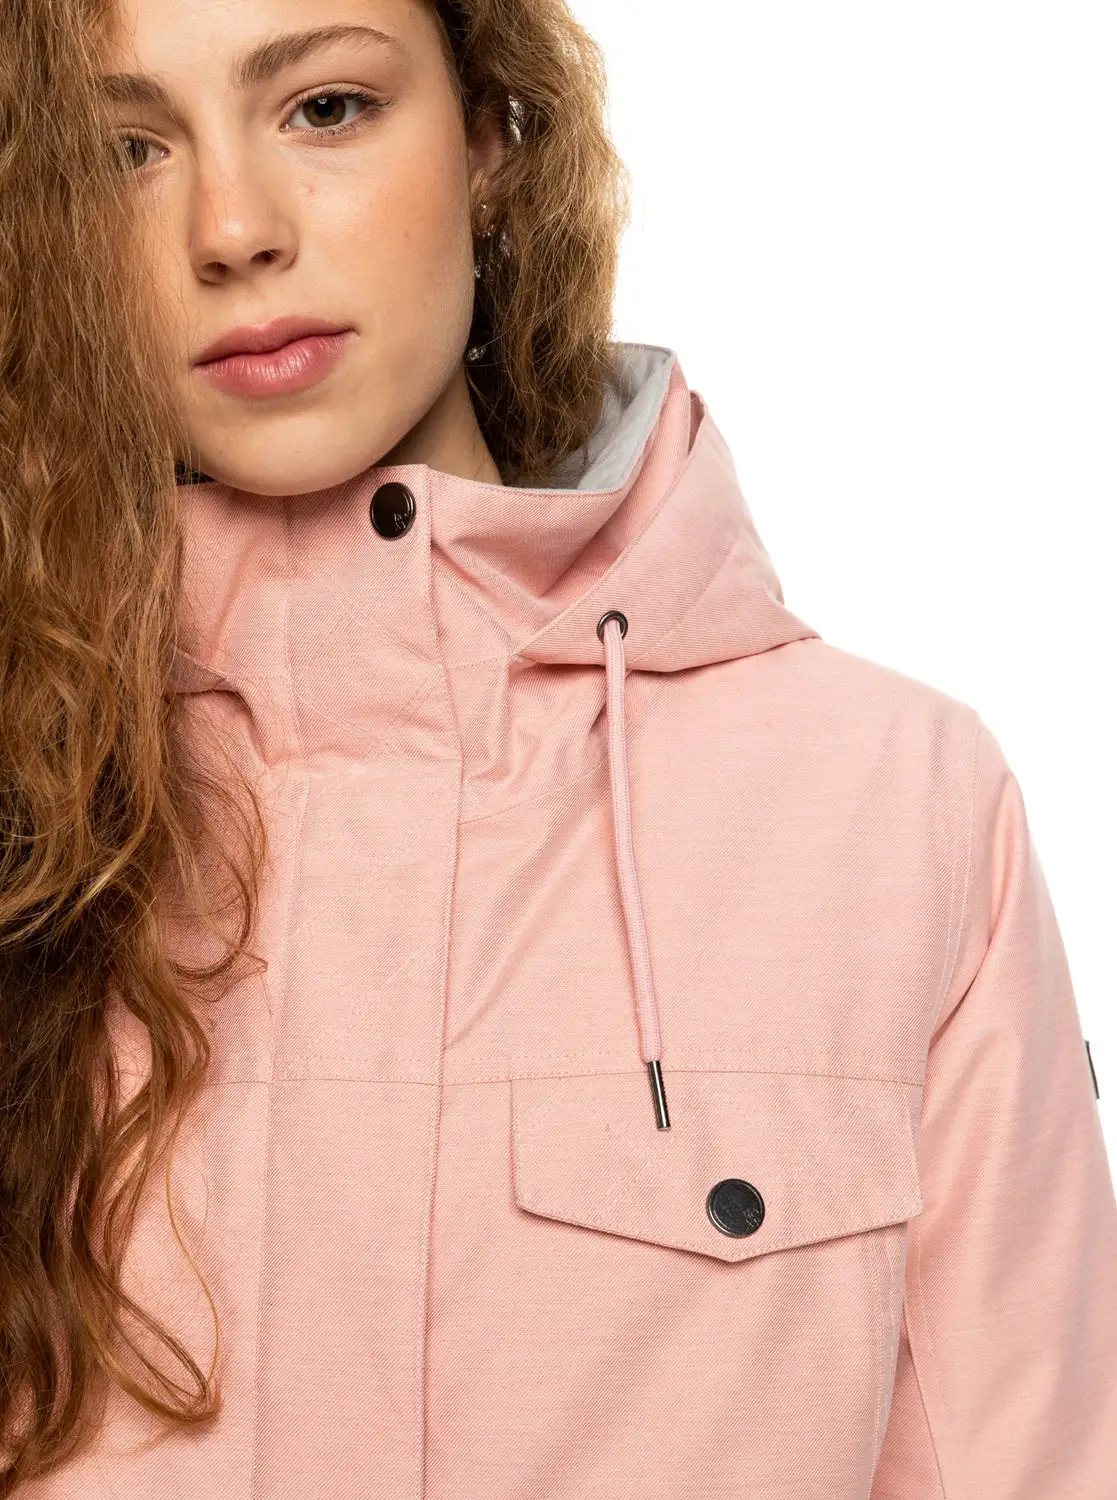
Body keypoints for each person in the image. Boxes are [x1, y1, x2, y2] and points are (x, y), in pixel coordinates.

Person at [0, 0, 1113, 1495]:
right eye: (123, 150)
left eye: (326, 108)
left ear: (492, 136)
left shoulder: (889, 804)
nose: (235, 229)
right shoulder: (28, 799)